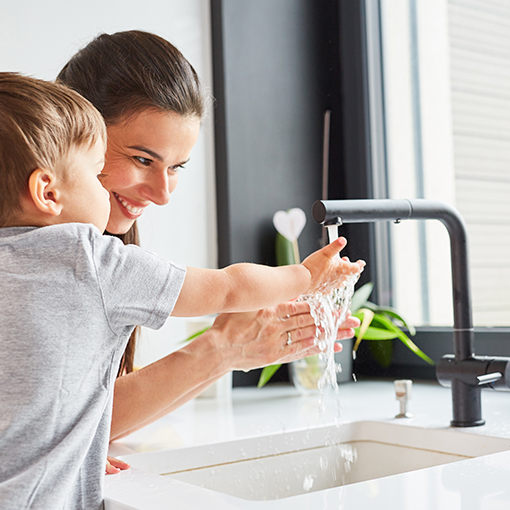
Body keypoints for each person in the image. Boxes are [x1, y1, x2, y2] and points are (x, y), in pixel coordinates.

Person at [0, 73, 362, 508]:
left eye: (176, 168)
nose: (163, 194)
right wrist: (305, 277)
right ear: (46, 190)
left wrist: (80, 440)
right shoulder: (90, 261)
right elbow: (227, 288)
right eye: (103, 172)